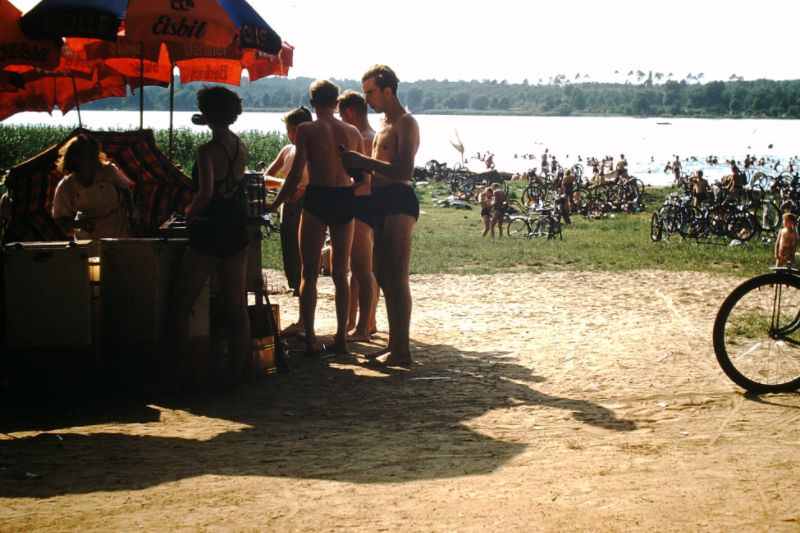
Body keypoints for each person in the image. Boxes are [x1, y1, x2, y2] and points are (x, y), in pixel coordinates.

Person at [267, 79, 363, 356]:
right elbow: (361, 174)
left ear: (312, 104)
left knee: (308, 272)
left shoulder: (308, 129)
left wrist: (277, 202)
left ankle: (309, 340)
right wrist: (347, 190)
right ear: (336, 103)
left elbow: (296, 174)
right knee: (340, 273)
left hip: (318, 196)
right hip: (343, 196)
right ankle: (341, 339)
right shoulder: (352, 131)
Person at [340, 65, 420, 367]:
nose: (367, 98)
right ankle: (395, 345)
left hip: (399, 198)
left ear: (388, 90)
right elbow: (375, 170)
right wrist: (354, 167)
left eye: (370, 92)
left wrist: (363, 161)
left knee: (397, 277)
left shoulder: (406, 123)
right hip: (379, 199)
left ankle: (402, 350)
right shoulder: (384, 124)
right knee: (384, 277)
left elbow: (404, 171)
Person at [173, 86, 251, 386]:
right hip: (235, 226)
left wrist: (188, 215)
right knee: (236, 306)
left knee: (182, 304)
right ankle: (237, 372)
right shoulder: (240, 146)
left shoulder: (206, 151)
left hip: (209, 229)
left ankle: (183, 370)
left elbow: (205, 193)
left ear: (207, 114)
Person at [264, 106, 312, 336]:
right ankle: (300, 315)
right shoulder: (287, 150)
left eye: (292, 130)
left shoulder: (314, 151)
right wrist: (286, 184)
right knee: (291, 259)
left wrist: (301, 187)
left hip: (306, 207)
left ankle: (305, 320)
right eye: (288, 130)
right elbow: (266, 177)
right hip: (288, 206)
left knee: (305, 261)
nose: (289, 135)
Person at [338, 89, 378, 342]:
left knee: (363, 270)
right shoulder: (370, 136)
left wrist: (339, 193)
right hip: (365, 206)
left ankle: (363, 326)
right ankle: (360, 322)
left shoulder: (363, 139)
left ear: (350, 113)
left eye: (341, 115)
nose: (340, 121)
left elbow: (365, 183)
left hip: (362, 206)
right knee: (359, 270)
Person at [52, 133, 135, 252]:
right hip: (87, 237)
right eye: (90, 157)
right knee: (92, 268)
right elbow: (60, 219)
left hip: (118, 229)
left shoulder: (109, 171)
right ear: (76, 158)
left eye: (96, 156)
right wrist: (80, 224)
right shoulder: (67, 186)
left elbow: (126, 190)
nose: (95, 161)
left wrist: (131, 214)